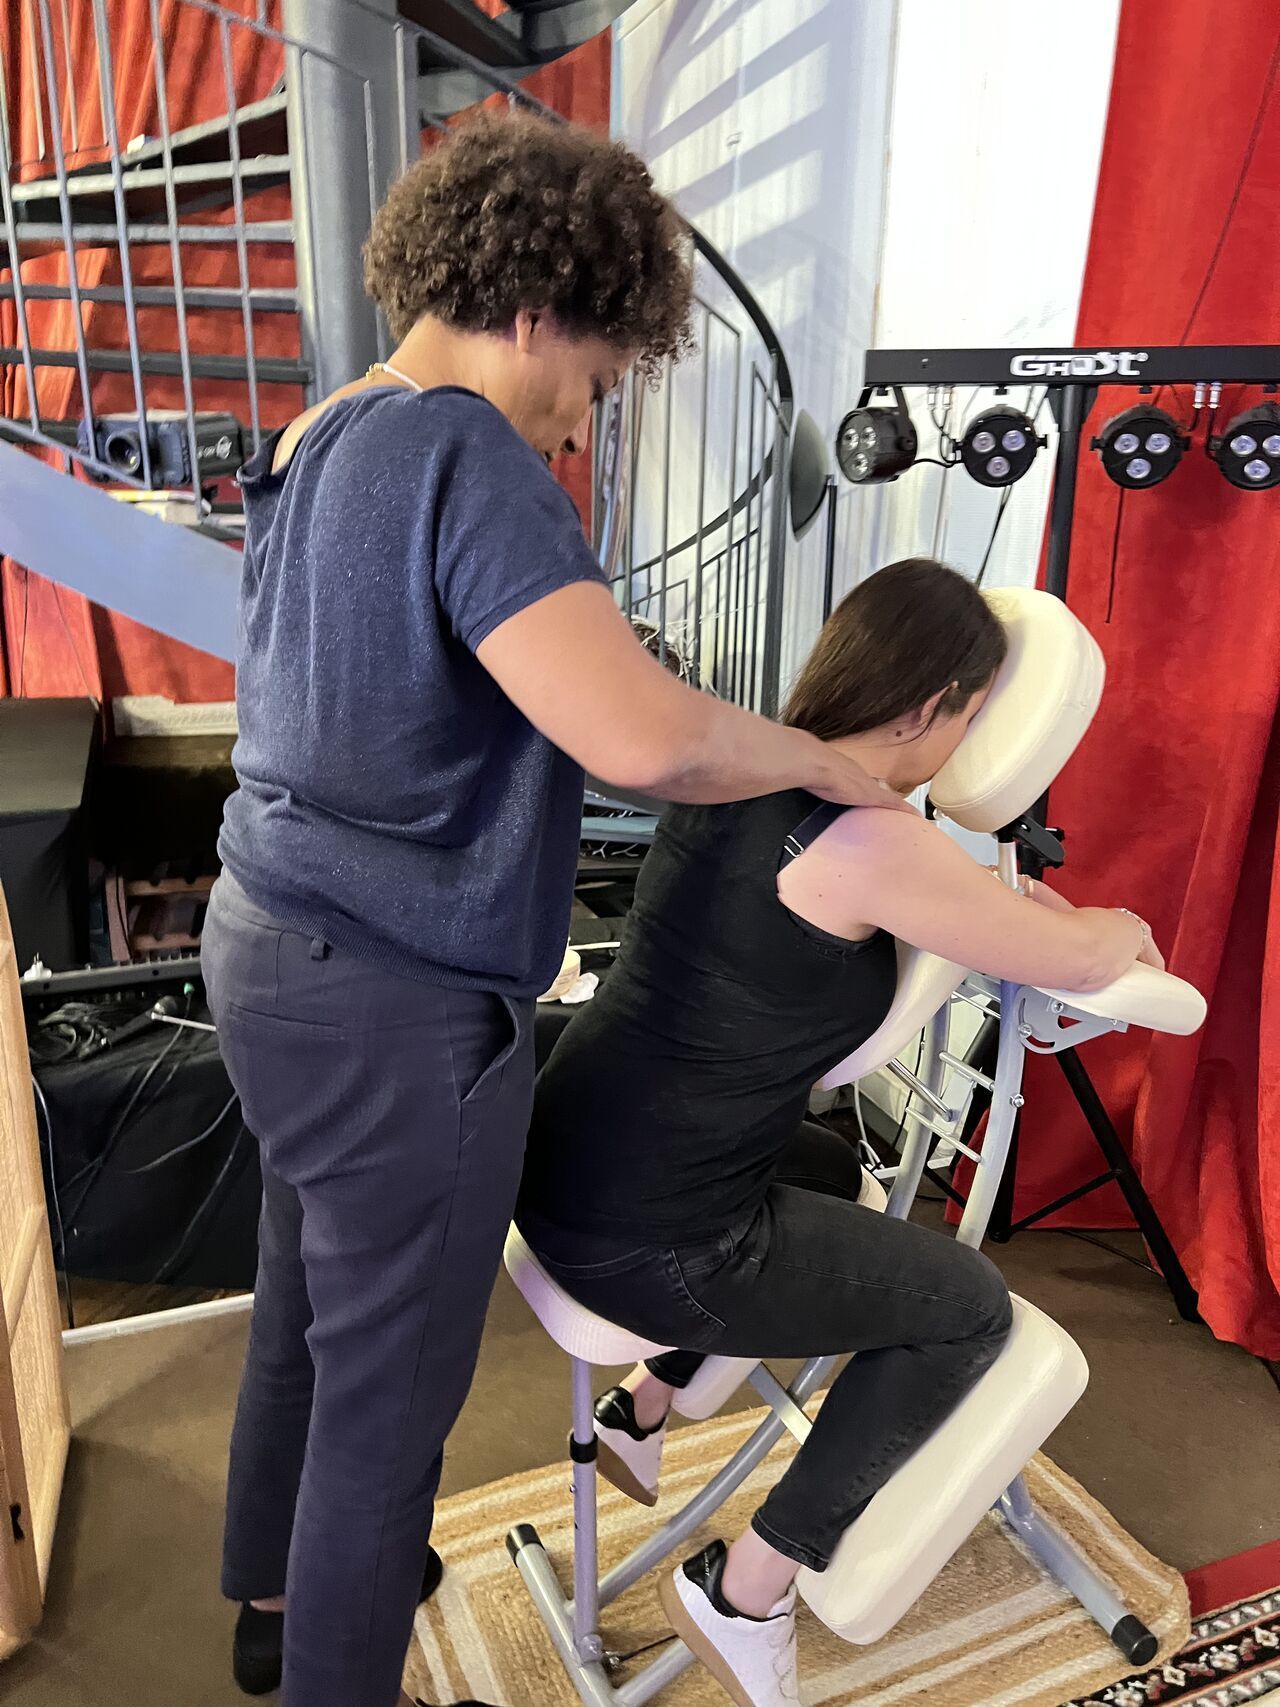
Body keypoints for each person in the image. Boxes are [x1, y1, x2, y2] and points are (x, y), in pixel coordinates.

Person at [199, 109, 904, 1707]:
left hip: (265, 939)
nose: (580, 421)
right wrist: (823, 756)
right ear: (535, 311)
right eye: (591, 377)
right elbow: (646, 739)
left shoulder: (325, 434)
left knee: (306, 1298)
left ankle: (271, 1596)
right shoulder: (468, 454)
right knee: (388, 1404)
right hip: (391, 1001)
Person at [518, 559, 1165, 1707]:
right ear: (924, 709)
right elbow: (1076, 954)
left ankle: (645, 1403)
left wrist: (1009, 900)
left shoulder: (736, 760)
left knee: (823, 1170)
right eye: (966, 717)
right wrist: (1117, 921)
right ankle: (747, 1589)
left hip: (565, 1153)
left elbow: (965, 902)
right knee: (962, 1309)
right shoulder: (869, 841)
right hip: (652, 1242)